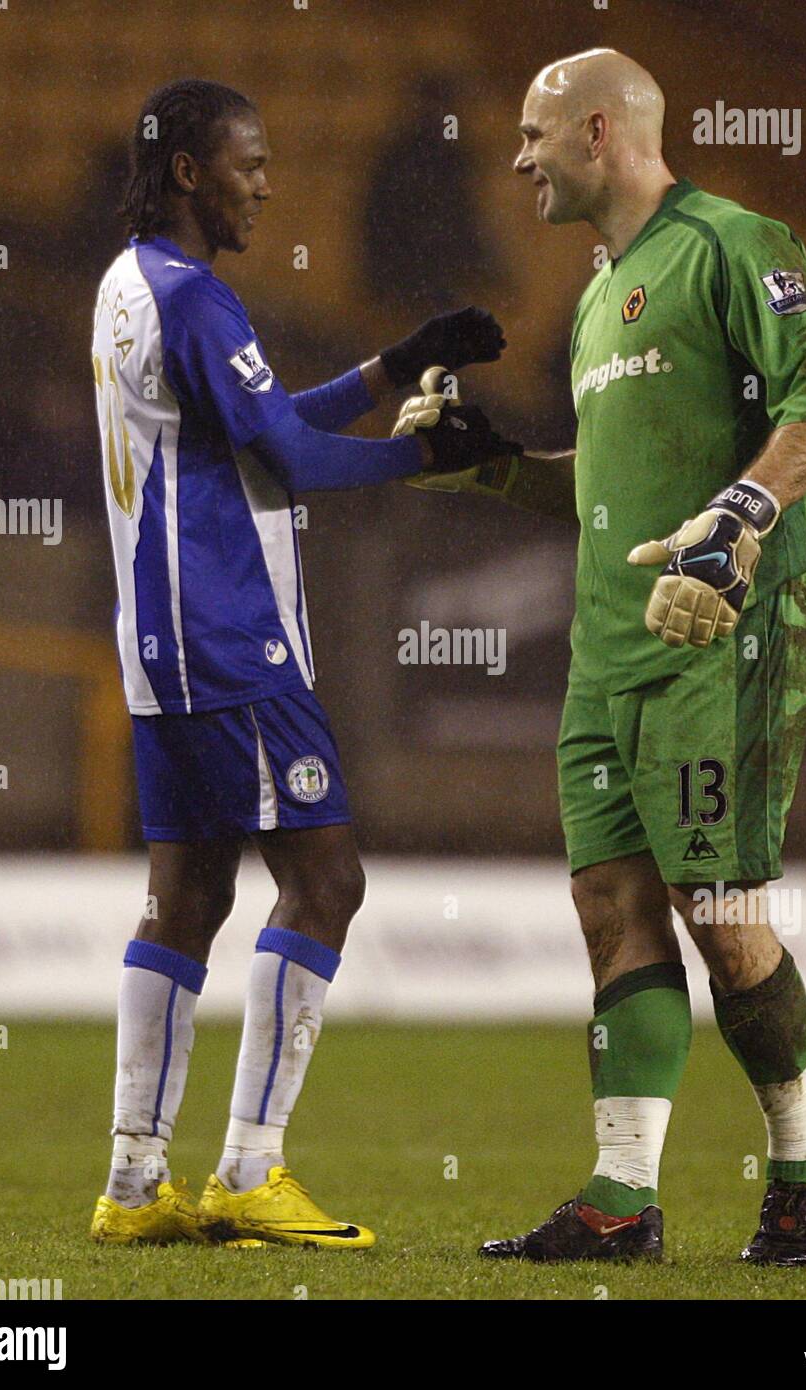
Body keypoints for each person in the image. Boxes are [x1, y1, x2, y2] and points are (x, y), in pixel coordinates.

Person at [410, 49, 806, 1266]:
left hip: (725, 635)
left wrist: (740, 522)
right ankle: (622, 1200)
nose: (516, 161)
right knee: (612, 908)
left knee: (719, 915)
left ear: (598, 132)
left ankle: (803, 1175)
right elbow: (607, 493)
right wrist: (488, 457)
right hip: (610, 654)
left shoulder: (732, 241)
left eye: (531, 136)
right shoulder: (598, 296)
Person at [89, 78, 514, 1248]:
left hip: (160, 644)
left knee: (187, 897)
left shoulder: (132, 286)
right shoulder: (203, 301)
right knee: (327, 882)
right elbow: (293, 457)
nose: (267, 182)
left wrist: (397, 365)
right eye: (249, 161)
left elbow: (261, 426)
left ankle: (132, 1185)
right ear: (189, 171)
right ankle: (249, 1168)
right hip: (234, 642)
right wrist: (429, 456)